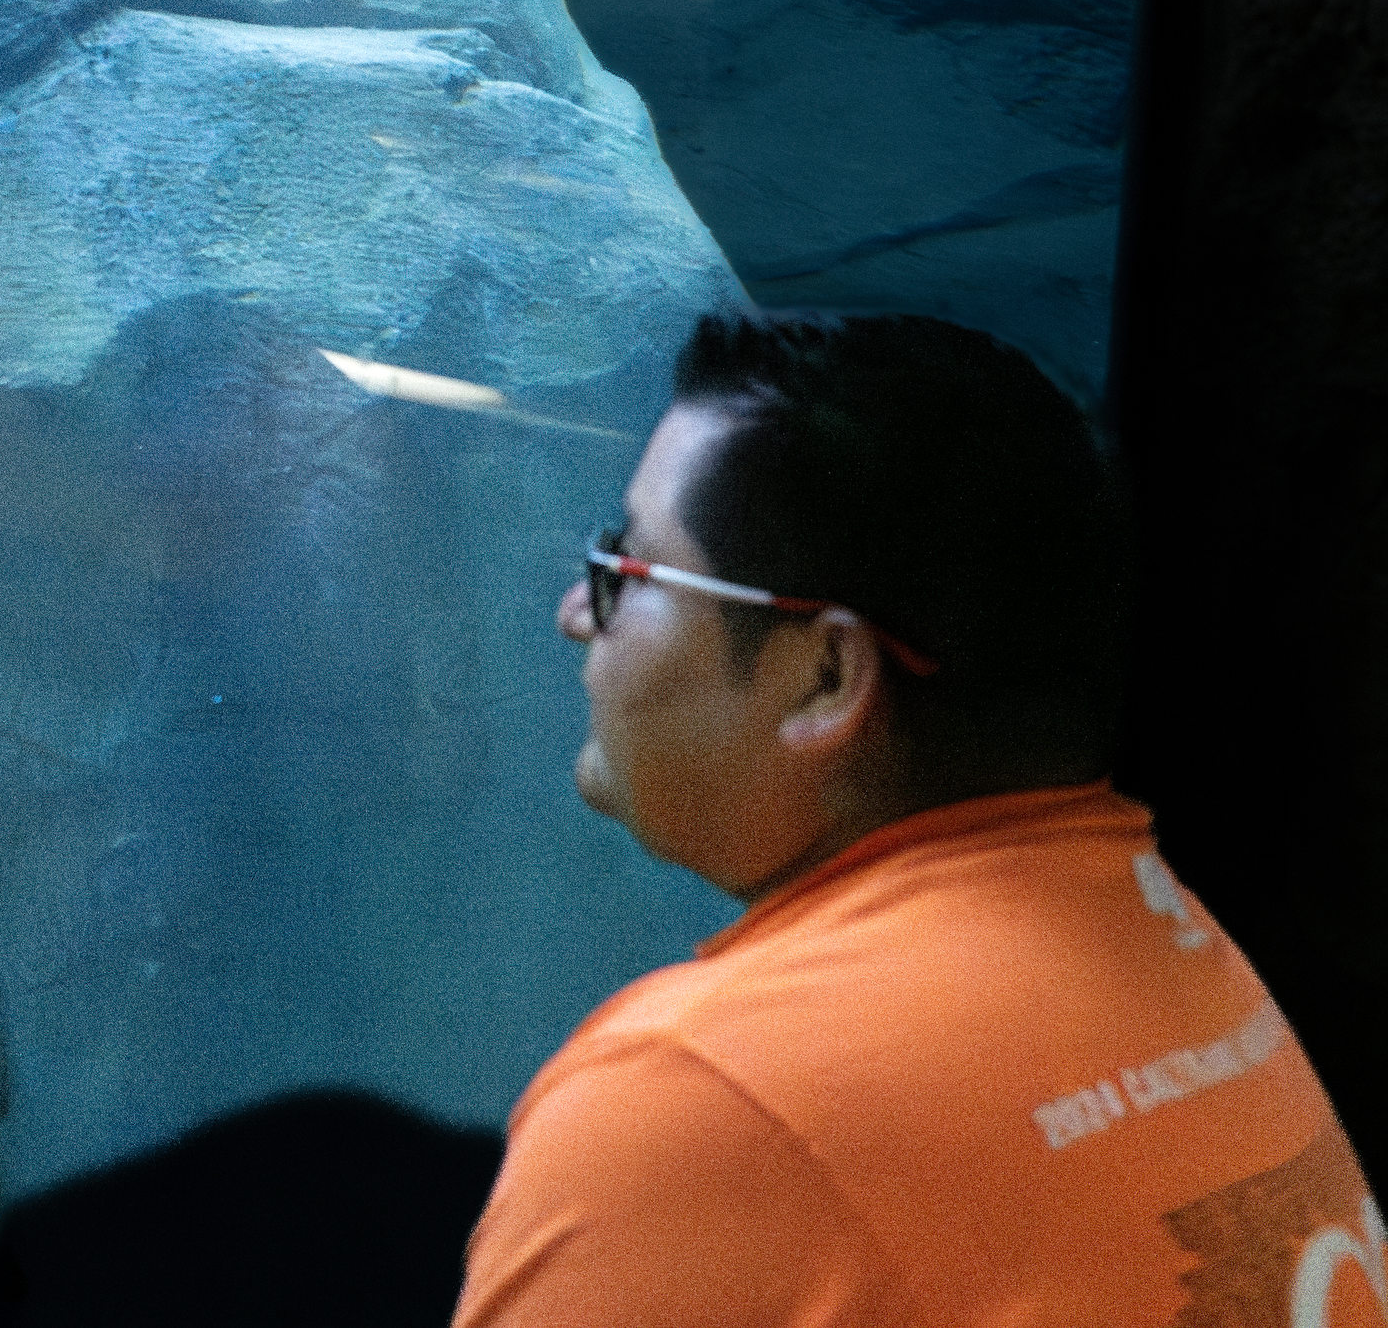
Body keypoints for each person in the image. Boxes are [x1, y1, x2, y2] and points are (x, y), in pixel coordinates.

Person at [456, 312, 1378, 1327]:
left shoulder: (696, 1100)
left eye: (624, 569)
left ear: (825, 675)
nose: (573, 613)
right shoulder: (1166, 942)